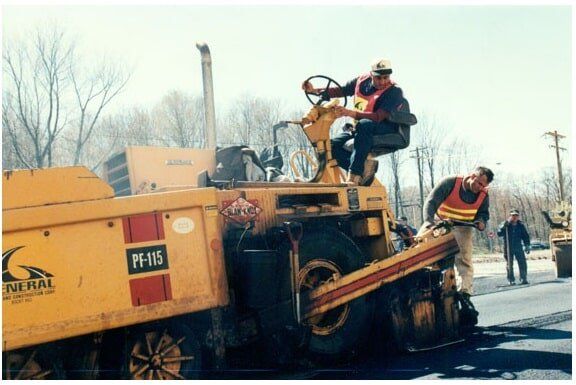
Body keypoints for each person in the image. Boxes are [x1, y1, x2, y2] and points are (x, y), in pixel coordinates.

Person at [301, 58, 406, 185]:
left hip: (385, 127)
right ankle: (364, 170)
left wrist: (350, 113)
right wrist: (314, 90)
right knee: (331, 146)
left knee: (364, 125)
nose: (383, 81)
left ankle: (354, 176)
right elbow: (342, 90)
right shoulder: (361, 81)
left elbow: (378, 117)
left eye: (386, 77)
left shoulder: (394, 91)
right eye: (379, 78)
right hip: (361, 127)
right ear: (372, 74)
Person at [418, 166, 494, 325]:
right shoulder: (450, 183)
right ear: (472, 175)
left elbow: (484, 214)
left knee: (465, 262)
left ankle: (464, 295)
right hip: (440, 224)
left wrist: (481, 221)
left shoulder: (483, 195)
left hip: (463, 227)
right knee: (419, 250)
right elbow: (431, 202)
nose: (479, 188)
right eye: (479, 183)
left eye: (483, 186)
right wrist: (428, 222)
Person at [497, 209, 531, 285]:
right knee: (509, 264)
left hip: (518, 246)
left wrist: (527, 245)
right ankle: (511, 280)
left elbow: (525, 236)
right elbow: (499, 234)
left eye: (516, 215)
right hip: (508, 247)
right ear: (510, 216)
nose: (514, 217)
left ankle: (523, 278)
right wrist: (504, 226)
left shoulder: (521, 225)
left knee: (522, 263)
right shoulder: (505, 224)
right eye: (513, 215)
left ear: (518, 216)